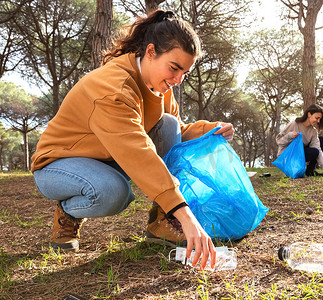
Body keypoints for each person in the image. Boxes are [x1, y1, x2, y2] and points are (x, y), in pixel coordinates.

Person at [31, 10, 234, 270]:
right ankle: (68, 212)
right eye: (174, 68)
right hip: (58, 164)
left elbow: (176, 130)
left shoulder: (159, 86)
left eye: (184, 72)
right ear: (150, 52)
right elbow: (138, 151)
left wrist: (210, 129)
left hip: (105, 156)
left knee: (168, 124)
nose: (177, 80)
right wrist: (185, 215)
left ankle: (161, 222)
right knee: (113, 193)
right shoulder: (112, 88)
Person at [276, 104, 323, 177]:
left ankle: (310, 171)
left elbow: (318, 149)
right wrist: (290, 135)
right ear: (309, 114)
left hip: (301, 153)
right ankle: (295, 169)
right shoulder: (294, 124)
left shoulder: (313, 131)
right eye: (317, 118)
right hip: (289, 155)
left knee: (321, 141)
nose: (318, 121)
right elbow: (279, 141)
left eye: (319, 119)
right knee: (315, 149)